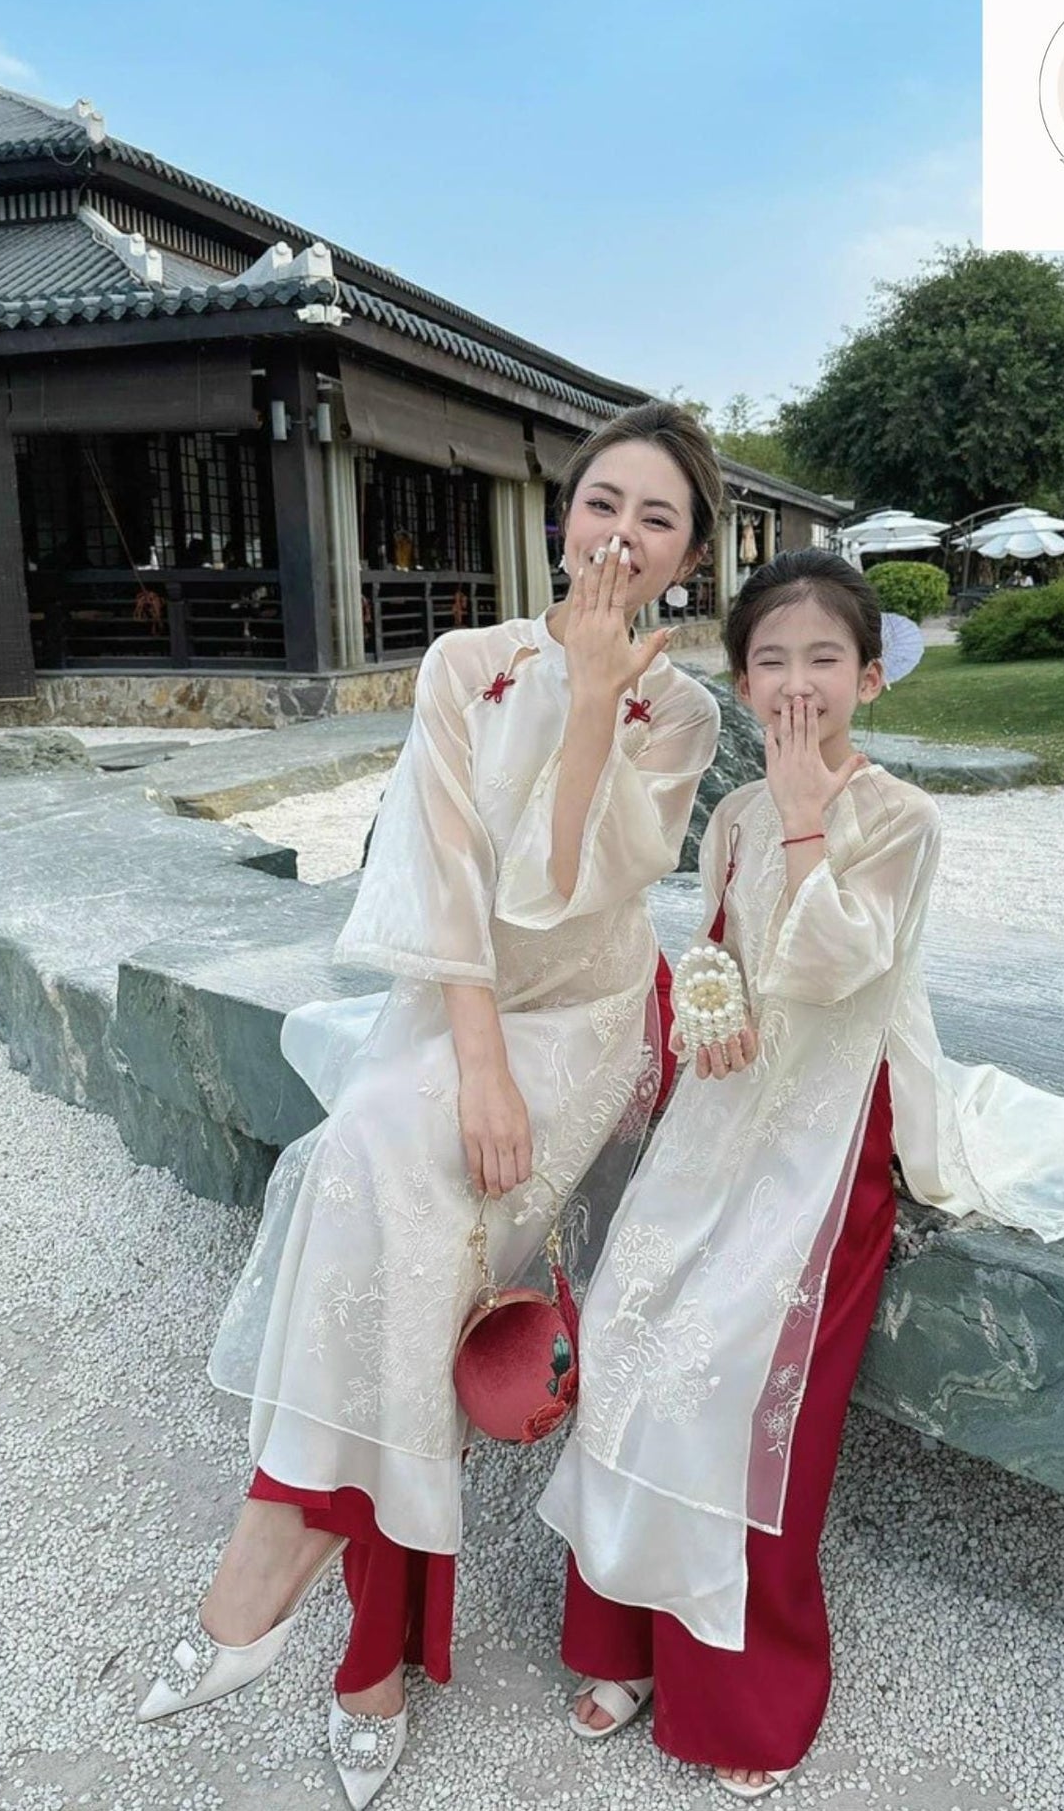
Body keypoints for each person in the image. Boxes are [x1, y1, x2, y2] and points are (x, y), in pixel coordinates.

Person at [540, 548, 1064, 1800]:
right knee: (629, 1329)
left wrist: (805, 813)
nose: (797, 684)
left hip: (831, 1128)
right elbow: (728, 952)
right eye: (770, 661)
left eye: (823, 660)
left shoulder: (901, 817)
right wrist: (709, 1003)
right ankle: (617, 1640)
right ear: (741, 680)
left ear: (869, 677)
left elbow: (840, 969)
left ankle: (738, 1698)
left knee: (731, 1381)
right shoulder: (732, 814)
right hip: (727, 1105)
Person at [136, 401, 724, 1808]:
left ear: (693, 550)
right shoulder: (464, 663)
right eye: (602, 502)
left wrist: (593, 704)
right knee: (375, 1201)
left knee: (391, 1219)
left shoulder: (683, 709)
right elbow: (441, 875)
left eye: (656, 517)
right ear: (560, 513)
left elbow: (568, 891)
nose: (620, 535)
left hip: (584, 1021)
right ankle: (356, 1658)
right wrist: (469, 1057)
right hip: (459, 1006)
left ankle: (274, 1581)